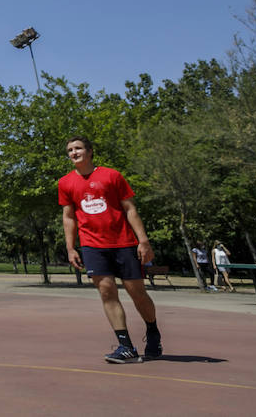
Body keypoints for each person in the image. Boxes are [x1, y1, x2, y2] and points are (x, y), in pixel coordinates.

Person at [58, 136, 162, 364]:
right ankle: (126, 346)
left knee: (137, 292)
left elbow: (130, 209)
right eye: (70, 150)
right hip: (92, 245)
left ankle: (152, 331)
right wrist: (70, 248)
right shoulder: (65, 183)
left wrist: (143, 241)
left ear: (90, 151)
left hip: (123, 242)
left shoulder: (111, 176)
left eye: (78, 148)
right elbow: (68, 218)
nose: (73, 153)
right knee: (106, 291)